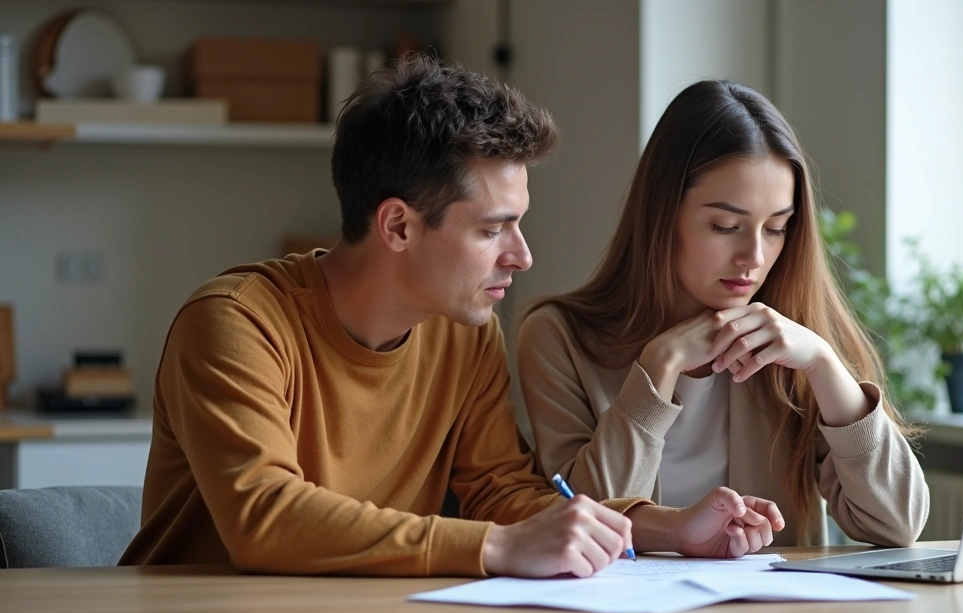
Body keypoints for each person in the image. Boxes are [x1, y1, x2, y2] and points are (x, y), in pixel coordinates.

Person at [119, 56, 783, 579]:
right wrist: (496, 547)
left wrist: (664, 528)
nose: (522, 256)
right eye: (495, 230)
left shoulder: (464, 334)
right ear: (399, 226)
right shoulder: (236, 324)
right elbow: (263, 517)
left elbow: (504, 493)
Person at [517, 80, 929, 549]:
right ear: (662, 215)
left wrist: (823, 363)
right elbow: (587, 524)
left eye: (776, 228)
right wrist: (657, 370)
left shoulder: (794, 339)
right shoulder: (558, 337)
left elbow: (897, 524)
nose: (753, 255)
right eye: (726, 226)